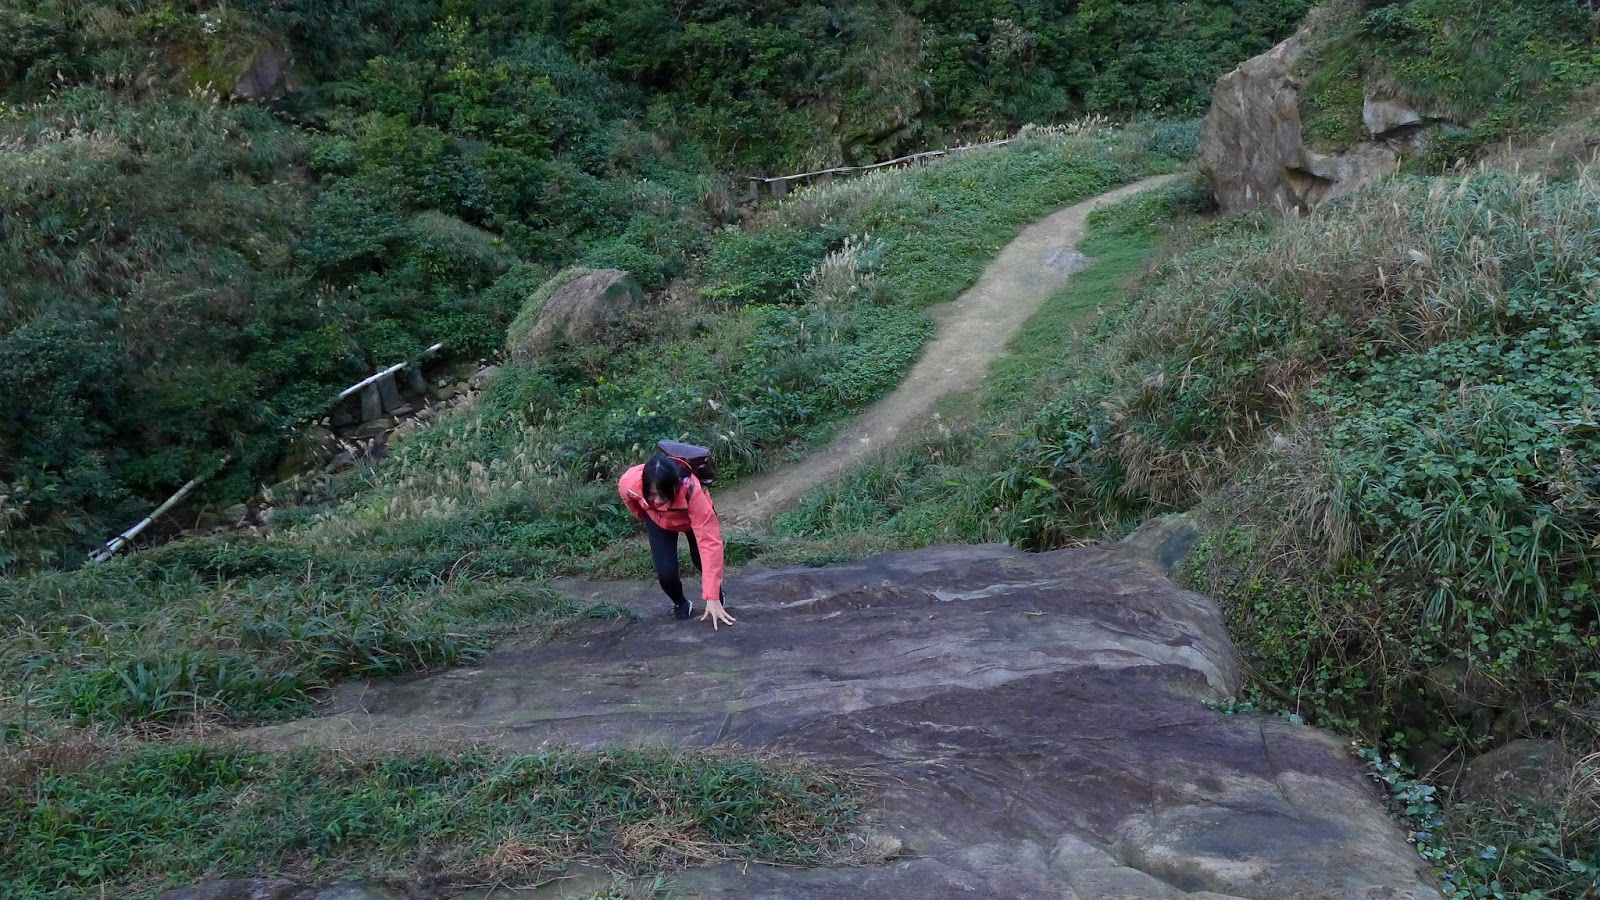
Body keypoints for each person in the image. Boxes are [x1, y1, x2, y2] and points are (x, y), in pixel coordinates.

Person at [618, 449, 737, 629]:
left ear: (675, 486)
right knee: (666, 573)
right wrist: (643, 515)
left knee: (701, 560)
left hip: (691, 519)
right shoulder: (630, 482)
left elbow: (710, 544)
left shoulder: (693, 492)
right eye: (652, 494)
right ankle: (681, 603)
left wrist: (712, 596)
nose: (658, 500)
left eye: (663, 494)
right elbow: (630, 500)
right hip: (658, 520)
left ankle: (716, 597)